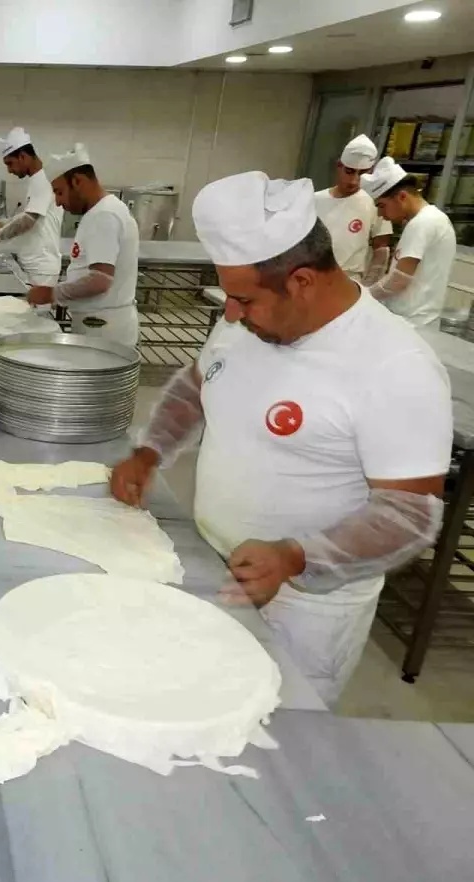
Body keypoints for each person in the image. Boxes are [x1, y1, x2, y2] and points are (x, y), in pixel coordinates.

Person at [110, 171, 452, 706]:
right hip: (208, 568)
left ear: (301, 281)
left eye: (243, 299)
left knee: (272, 742)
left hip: (304, 608)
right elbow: (198, 386)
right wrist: (150, 450)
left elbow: (411, 513)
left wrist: (295, 556)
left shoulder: (394, 365)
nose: (231, 313)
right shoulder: (247, 323)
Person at [35, 143, 140, 346]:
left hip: (103, 330)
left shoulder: (104, 215)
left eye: (59, 192)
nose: (57, 203)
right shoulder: (101, 212)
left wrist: (50, 293)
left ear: (77, 181)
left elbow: (99, 280)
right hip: (98, 325)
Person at [361, 156, 458, 330]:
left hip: (412, 323)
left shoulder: (422, 223)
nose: (381, 215)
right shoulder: (432, 219)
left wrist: (363, 297)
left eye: (382, 206)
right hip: (416, 321)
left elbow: (399, 280)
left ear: (402, 197)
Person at [0, 127, 62, 303]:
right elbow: (31, 215)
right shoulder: (35, 181)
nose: (9, 170)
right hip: (32, 265)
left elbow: (29, 220)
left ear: (23, 156)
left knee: (35, 323)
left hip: (41, 269)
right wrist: (3, 223)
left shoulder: (42, 181)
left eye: (10, 163)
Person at [313, 134, 392, 281]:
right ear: (339, 166)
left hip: (349, 279)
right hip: (313, 276)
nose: (354, 180)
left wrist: (370, 286)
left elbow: (381, 249)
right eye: (349, 172)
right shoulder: (314, 200)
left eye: (362, 173)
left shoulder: (375, 203)